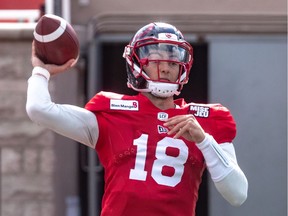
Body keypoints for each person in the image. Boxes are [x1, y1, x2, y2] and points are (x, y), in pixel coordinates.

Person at [26, 22, 248, 216]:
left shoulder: (205, 121)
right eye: (156, 60)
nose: (166, 68)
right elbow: (39, 109)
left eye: (172, 62)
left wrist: (203, 140)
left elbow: (238, 194)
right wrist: (40, 71)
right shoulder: (113, 113)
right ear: (137, 63)